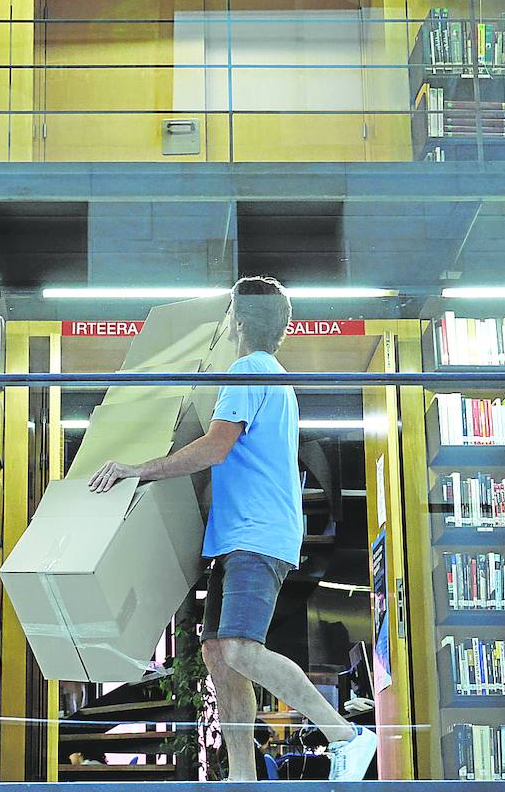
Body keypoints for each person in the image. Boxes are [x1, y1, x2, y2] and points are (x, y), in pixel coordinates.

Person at [88, 276, 378, 782]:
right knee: (218, 653)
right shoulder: (275, 379)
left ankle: (347, 736)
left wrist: (139, 469)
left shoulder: (247, 371)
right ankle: (243, 773)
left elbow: (215, 447)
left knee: (240, 648)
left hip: (255, 536)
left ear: (237, 323)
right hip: (241, 536)